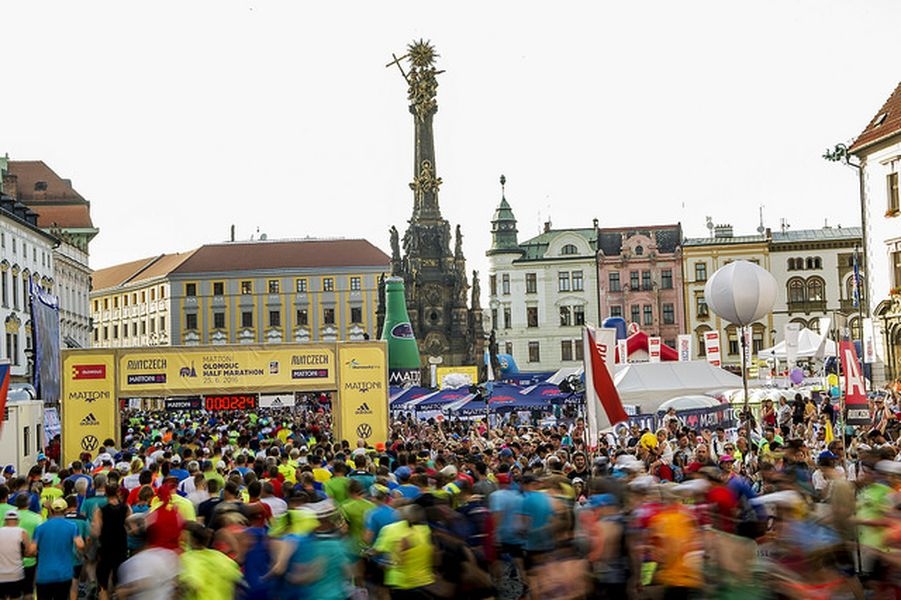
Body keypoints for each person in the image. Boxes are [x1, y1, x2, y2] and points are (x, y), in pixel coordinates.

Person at [31, 498, 84, 600]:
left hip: (44, 574)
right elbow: (80, 545)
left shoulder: (40, 527)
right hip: (64, 573)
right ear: (65, 510)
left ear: (51, 510)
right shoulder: (72, 526)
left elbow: (31, 550)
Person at [178, 522, 243, 600]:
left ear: (190, 540)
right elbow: (237, 578)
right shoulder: (220, 556)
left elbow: (191, 583)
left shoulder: (189, 558)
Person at [93, 482, 130, 600]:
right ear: (118, 492)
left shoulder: (101, 510)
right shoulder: (126, 508)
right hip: (121, 547)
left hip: (106, 547)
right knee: (120, 580)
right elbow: (129, 527)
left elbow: (96, 531)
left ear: (105, 493)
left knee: (103, 583)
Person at [0, 510, 33, 600]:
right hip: (16, 574)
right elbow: (29, 551)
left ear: (5, 520)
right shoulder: (22, 532)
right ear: (18, 520)